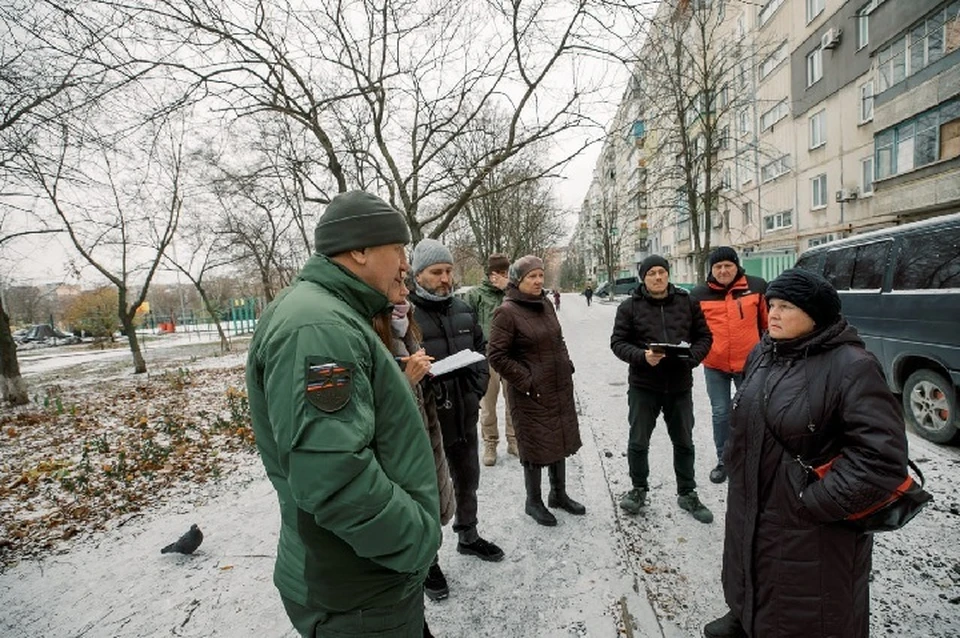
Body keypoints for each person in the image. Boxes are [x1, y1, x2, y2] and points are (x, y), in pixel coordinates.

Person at [245, 190, 441, 638]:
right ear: (358, 250)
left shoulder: (333, 315)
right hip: (357, 590)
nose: (406, 265)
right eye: (399, 249)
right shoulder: (320, 328)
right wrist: (415, 540)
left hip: (364, 577)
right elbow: (333, 477)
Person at [704, 268, 910, 638]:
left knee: (805, 603)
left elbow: (880, 460)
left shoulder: (852, 367)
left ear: (816, 315)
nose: (775, 314)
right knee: (753, 567)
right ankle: (746, 615)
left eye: (787, 307)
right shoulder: (764, 352)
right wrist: (737, 466)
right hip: (753, 502)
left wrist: (815, 502)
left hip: (811, 521)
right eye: (773, 305)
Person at [409, 239, 505, 582]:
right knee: (429, 491)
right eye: (437, 272)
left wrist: (477, 387)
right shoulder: (405, 315)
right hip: (428, 420)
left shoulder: (463, 310)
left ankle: (468, 535)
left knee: (468, 480)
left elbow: (481, 350)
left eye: (448, 271)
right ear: (418, 274)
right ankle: (428, 560)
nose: (445, 278)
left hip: (464, 412)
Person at [610, 255, 714, 524]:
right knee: (638, 440)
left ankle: (687, 492)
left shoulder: (686, 302)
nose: (658, 277)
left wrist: (692, 358)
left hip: (679, 385)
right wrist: (641, 356)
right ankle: (638, 489)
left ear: (668, 275)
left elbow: (705, 336)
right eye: (652, 273)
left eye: (662, 272)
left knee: (683, 441)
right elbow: (618, 343)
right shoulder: (629, 307)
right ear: (643, 277)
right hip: (644, 385)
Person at [372, 279, 456, 607]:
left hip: (425, 428)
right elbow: (376, 402)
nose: (406, 291)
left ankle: (430, 561)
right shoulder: (370, 331)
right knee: (408, 513)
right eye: (398, 284)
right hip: (399, 444)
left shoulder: (407, 324)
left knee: (428, 502)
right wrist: (406, 381)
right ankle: (421, 571)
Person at [487, 255, 585, 526]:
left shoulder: (546, 304)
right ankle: (534, 501)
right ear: (518, 280)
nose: (539, 280)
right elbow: (496, 355)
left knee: (559, 438)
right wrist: (527, 382)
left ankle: (559, 494)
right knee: (535, 446)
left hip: (558, 385)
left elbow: (559, 338)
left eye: (541, 275)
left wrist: (567, 365)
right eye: (532, 276)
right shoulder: (506, 312)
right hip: (530, 393)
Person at [690, 246, 768, 484]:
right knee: (721, 413)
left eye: (728, 265)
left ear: (736, 266)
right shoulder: (699, 294)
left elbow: (767, 324)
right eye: (718, 266)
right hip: (715, 365)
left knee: (753, 411)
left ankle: (755, 459)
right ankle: (724, 459)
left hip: (750, 364)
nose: (723, 270)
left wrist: (767, 353)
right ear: (711, 269)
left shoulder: (756, 287)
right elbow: (691, 330)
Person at [464, 254, 517, 466]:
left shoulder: (513, 293)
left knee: (513, 401)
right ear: (490, 273)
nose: (503, 276)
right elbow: (467, 325)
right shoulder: (475, 295)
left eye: (506, 272)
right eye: (499, 272)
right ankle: (490, 443)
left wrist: (509, 288)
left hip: (511, 355)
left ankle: (514, 441)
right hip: (486, 356)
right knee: (487, 405)